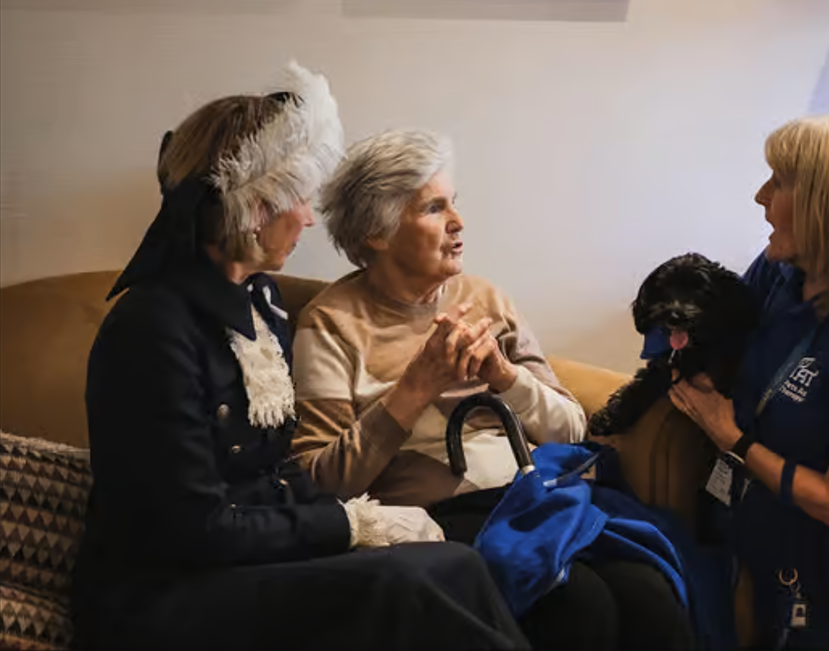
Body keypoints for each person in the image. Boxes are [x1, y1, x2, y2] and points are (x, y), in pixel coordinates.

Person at [71, 64, 529, 651]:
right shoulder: (151, 328)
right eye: (298, 199)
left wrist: (358, 521)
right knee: (404, 582)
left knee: (456, 564)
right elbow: (193, 529)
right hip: (164, 594)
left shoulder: (260, 299)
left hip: (245, 562)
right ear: (253, 207)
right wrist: (350, 524)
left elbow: (272, 470)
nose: (309, 218)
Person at [290, 129, 696, 651]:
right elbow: (321, 482)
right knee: (578, 605)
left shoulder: (485, 298)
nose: (458, 224)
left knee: (652, 598)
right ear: (377, 232)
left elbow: (572, 427)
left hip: (532, 496)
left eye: (452, 204)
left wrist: (506, 376)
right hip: (434, 519)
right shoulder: (331, 324)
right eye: (434, 209)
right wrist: (415, 387)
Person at [668, 115, 829, 650]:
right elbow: (712, 333)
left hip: (828, 596)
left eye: (779, 182)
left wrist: (733, 439)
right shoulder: (780, 276)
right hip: (754, 556)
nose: (759, 195)